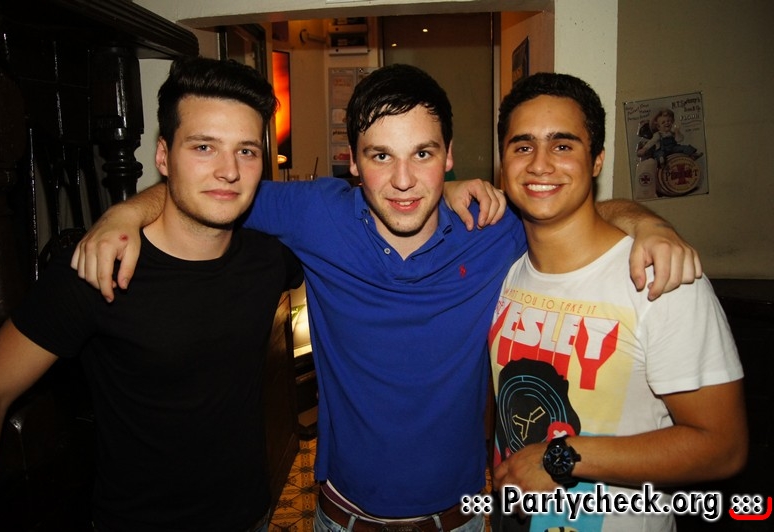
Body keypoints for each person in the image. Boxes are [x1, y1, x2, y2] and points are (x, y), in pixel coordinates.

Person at [69, 64, 702, 532]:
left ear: (448, 157)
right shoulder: (316, 214)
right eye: (381, 156)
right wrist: (125, 210)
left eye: (422, 154)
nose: (403, 180)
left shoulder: (493, 227)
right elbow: (207, 187)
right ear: (353, 162)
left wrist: (649, 224)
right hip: (340, 517)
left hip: (462, 518)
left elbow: (575, 207)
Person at [0, 56, 304, 531]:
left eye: (247, 151)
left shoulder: (270, 259)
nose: (229, 171)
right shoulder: (100, 267)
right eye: (204, 147)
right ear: (164, 156)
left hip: (251, 514)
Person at [489, 72, 746, 531]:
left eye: (563, 145)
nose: (540, 165)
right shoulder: (506, 271)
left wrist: (563, 457)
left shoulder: (659, 280)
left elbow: (722, 447)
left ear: (597, 161)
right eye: (522, 146)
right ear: (503, 162)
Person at [637, 108, 702, 167]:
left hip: (673, 148)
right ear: (658, 126)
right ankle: (661, 162)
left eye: (668, 121)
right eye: (663, 122)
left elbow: (679, 140)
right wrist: (644, 149)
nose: (667, 123)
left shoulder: (672, 133)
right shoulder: (658, 134)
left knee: (683, 147)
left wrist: (677, 132)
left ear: (672, 122)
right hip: (662, 150)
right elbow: (651, 142)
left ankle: (693, 155)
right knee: (660, 154)